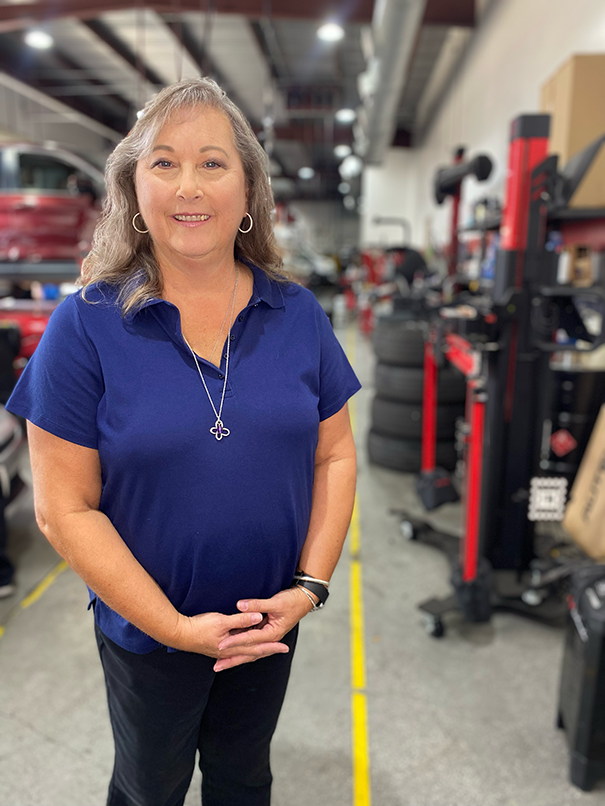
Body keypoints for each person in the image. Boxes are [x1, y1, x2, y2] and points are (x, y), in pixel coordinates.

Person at [5, 78, 360, 806]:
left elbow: (334, 454)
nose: (187, 186)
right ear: (133, 189)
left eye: (212, 163)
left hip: (269, 623)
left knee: (242, 777)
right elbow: (61, 508)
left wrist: (309, 588)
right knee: (149, 786)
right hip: (148, 636)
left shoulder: (295, 313)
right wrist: (171, 626)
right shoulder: (87, 326)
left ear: (248, 189)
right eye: (163, 163)